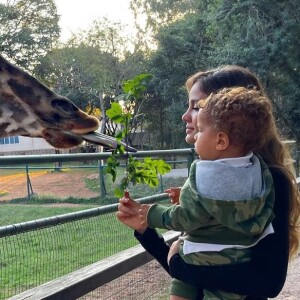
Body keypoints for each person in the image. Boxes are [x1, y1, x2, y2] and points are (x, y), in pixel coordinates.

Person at [117, 65, 300, 299]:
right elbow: (195, 267)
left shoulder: (268, 181)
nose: (185, 115)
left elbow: (268, 282)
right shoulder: (209, 174)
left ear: (230, 115)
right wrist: (145, 230)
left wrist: (179, 265)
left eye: (196, 106)